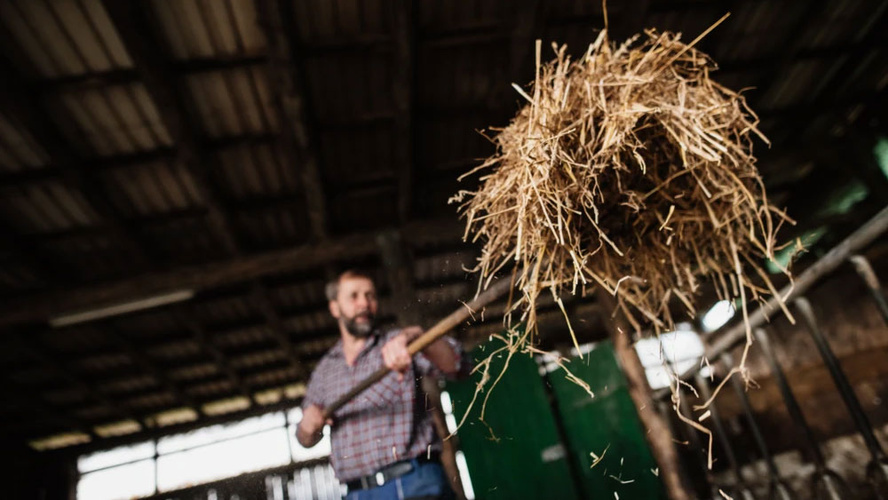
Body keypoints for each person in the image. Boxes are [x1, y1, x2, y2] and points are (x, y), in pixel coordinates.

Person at [296, 269, 470, 500]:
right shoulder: (324, 371)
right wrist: (307, 427)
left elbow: (459, 366)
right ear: (334, 308)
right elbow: (305, 439)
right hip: (359, 493)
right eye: (354, 296)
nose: (364, 304)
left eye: (370, 296)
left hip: (417, 483)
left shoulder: (400, 343)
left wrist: (417, 338)